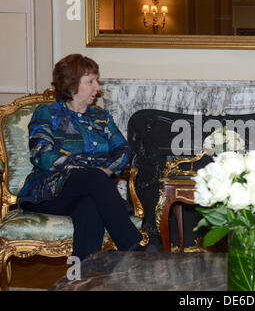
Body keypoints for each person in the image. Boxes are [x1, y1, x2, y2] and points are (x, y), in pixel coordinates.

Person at [17, 54, 154, 260]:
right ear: (72, 86)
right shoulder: (47, 113)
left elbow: (123, 150)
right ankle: (133, 247)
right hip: (47, 192)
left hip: (91, 189)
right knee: (93, 178)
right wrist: (87, 171)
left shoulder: (101, 117)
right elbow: (41, 155)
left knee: (89, 206)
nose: (97, 87)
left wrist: (107, 170)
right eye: (90, 82)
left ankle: (82, 277)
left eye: (96, 81)